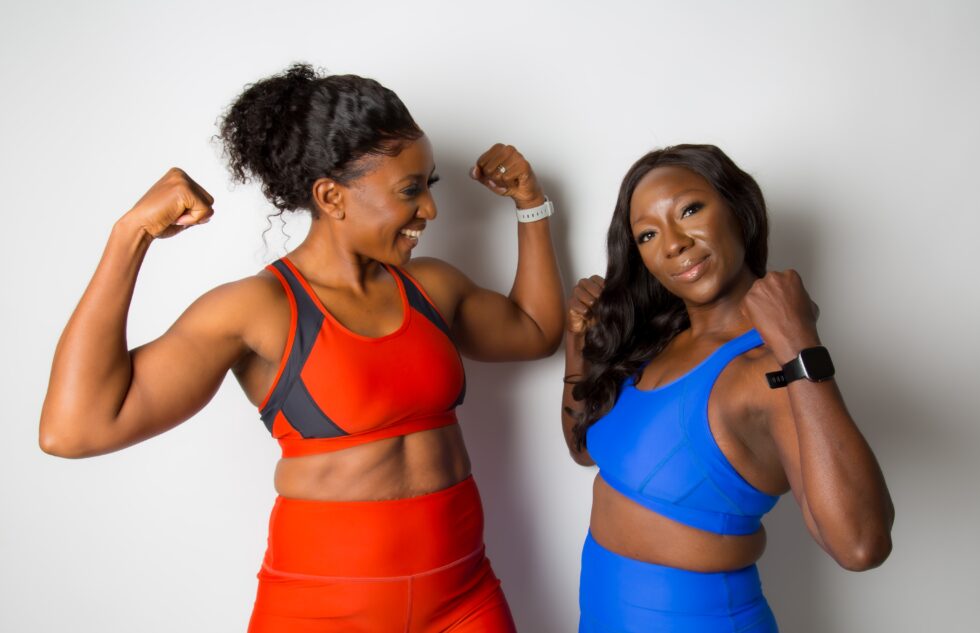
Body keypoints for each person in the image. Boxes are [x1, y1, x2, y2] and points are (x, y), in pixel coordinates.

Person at [39, 63, 564, 632]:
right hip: (324, 611)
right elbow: (75, 430)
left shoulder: (431, 286)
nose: (431, 210)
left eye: (429, 185)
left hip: (464, 599)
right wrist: (130, 234)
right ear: (331, 197)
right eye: (410, 190)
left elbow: (535, 332)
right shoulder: (256, 310)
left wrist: (530, 205)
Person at [561, 144, 894, 632]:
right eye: (648, 234)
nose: (673, 243)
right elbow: (582, 447)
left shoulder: (767, 369)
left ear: (739, 209)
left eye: (690, 210)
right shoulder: (654, 340)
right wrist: (579, 342)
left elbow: (861, 545)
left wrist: (799, 343)